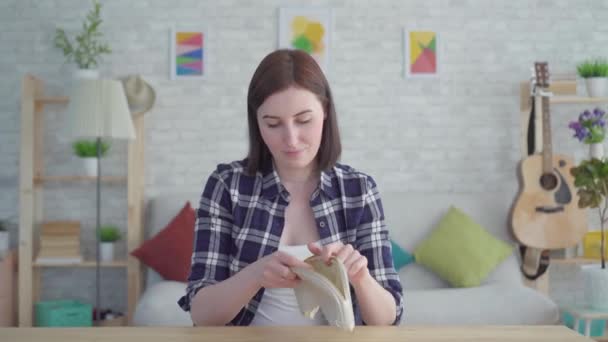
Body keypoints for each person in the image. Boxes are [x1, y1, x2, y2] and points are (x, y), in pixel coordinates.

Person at [178, 49, 403, 327]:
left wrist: (360, 276)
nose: (291, 139)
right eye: (273, 124)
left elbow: (387, 318)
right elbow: (201, 314)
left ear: (325, 113)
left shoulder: (359, 190)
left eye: (303, 120)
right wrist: (257, 273)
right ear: (256, 123)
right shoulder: (227, 185)